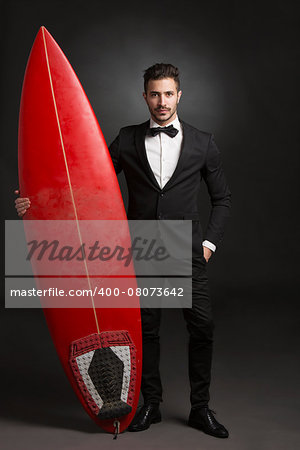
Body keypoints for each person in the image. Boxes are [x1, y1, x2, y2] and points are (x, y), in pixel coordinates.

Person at [15, 63, 231, 438]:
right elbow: (85, 187)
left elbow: (222, 199)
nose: (161, 102)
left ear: (179, 96)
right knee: (147, 329)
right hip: (143, 248)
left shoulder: (202, 141)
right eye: (154, 94)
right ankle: (151, 404)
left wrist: (208, 245)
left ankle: (200, 408)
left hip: (187, 250)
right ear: (144, 96)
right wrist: (37, 203)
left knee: (203, 327)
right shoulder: (127, 139)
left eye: (168, 94)